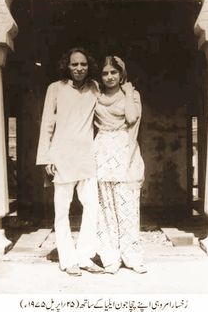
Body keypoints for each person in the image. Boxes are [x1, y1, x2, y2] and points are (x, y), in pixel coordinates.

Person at [36, 47, 103, 276]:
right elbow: (47, 124)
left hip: (86, 157)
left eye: (83, 64)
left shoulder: (95, 88)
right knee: (62, 210)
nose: (79, 68)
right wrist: (46, 157)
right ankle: (68, 259)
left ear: (89, 66)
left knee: (92, 206)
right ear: (67, 65)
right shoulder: (55, 89)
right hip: (61, 158)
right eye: (74, 64)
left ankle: (85, 256)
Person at [94, 55, 146, 274]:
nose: (109, 77)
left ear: (121, 74)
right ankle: (110, 256)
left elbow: (132, 118)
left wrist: (129, 92)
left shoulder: (132, 95)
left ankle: (131, 256)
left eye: (113, 72)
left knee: (127, 205)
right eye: (105, 73)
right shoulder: (94, 95)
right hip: (101, 150)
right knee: (104, 206)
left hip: (125, 148)